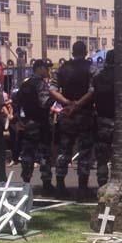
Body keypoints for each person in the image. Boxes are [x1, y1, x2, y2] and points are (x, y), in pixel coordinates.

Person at [50, 41, 95, 200]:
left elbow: (52, 90)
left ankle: (60, 186)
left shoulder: (62, 69)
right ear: (86, 51)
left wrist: (68, 103)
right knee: (84, 152)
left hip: (67, 114)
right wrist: (78, 104)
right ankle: (82, 188)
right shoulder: (91, 68)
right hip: (85, 114)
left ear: (72, 51)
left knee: (64, 151)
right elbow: (92, 90)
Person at [14, 59, 55, 195]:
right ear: (39, 68)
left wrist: (20, 121)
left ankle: (26, 182)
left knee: (27, 155)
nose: (47, 70)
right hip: (41, 123)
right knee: (44, 154)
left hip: (28, 124)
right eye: (45, 67)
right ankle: (47, 183)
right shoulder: (41, 84)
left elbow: (16, 103)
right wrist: (55, 97)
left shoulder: (25, 84)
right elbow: (45, 103)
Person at [92, 50, 115, 187]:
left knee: (102, 158)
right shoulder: (121, 77)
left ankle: (102, 184)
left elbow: (93, 95)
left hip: (102, 119)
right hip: (118, 120)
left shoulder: (98, 77)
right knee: (120, 155)